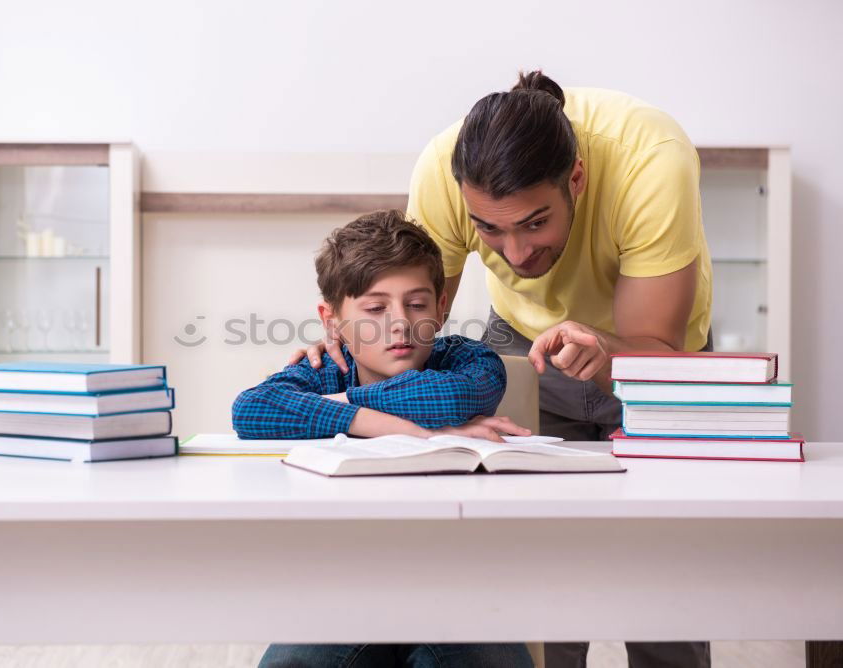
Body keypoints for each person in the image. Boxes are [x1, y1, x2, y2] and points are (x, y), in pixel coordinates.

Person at [292, 72, 713, 668]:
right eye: (490, 229)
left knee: (664, 586)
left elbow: (654, 343)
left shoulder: (652, 159)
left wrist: (603, 348)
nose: (514, 256)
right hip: (522, 343)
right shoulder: (443, 168)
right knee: (540, 577)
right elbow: (410, 328)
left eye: (535, 223)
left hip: (651, 353)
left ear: (577, 180)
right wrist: (337, 353)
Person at [233, 209, 534, 668]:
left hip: (463, 587)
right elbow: (251, 410)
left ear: (441, 306)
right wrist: (384, 425)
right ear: (332, 321)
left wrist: (337, 407)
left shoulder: (468, 360)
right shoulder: (322, 368)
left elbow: (447, 400)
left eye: (417, 304)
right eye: (375, 309)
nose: (400, 324)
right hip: (346, 586)